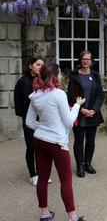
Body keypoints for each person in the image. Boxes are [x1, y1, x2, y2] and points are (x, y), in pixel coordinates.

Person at [26, 63, 88, 221]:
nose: (62, 77)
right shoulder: (58, 94)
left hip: (40, 140)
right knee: (66, 180)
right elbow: (68, 122)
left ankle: (45, 214)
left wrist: (43, 129)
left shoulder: (35, 94)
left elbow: (29, 122)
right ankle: (73, 218)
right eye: (60, 74)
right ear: (54, 76)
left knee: (43, 178)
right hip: (56, 142)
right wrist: (76, 105)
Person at [14, 56, 52, 186]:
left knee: (41, 147)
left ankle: (42, 174)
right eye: (37, 64)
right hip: (29, 118)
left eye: (42, 65)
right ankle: (33, 175)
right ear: (30, 66)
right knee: (31, 146)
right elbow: (31, 98)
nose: (40, 67)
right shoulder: (23, 81)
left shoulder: (43, 79)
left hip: (41, 117)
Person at [67, 50, 104, 178]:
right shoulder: (74, 76)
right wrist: (81, 109)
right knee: (78, 141)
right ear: (80, 60)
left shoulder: (95, 75)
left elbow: (100, 95)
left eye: (88, 59)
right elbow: (71, 96)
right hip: (79, 113)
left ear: (91, 61)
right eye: (83, 59)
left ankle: (88, 163)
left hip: (93, 113)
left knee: (90, 141)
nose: (85, 61)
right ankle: (80, 165)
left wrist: (94, 110)